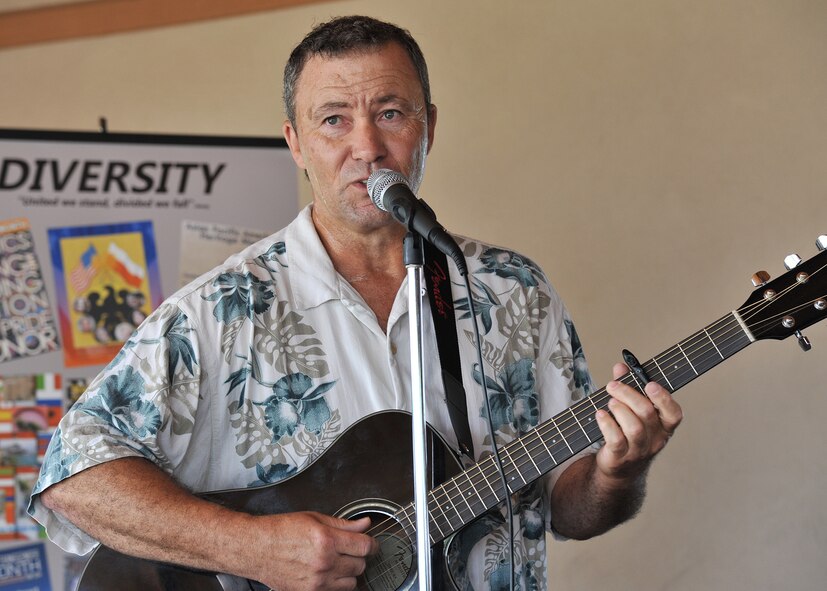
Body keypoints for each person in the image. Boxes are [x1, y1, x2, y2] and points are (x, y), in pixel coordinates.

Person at [29, 15, 682, 591]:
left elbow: (568, 508)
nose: (366, 147)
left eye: (391, 112)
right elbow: (70, 476)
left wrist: (617, 470)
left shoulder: (515, 291)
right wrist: (251, 547)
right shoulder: (222, 308)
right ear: (295, 141)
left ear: (429, 126)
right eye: (334, 118)